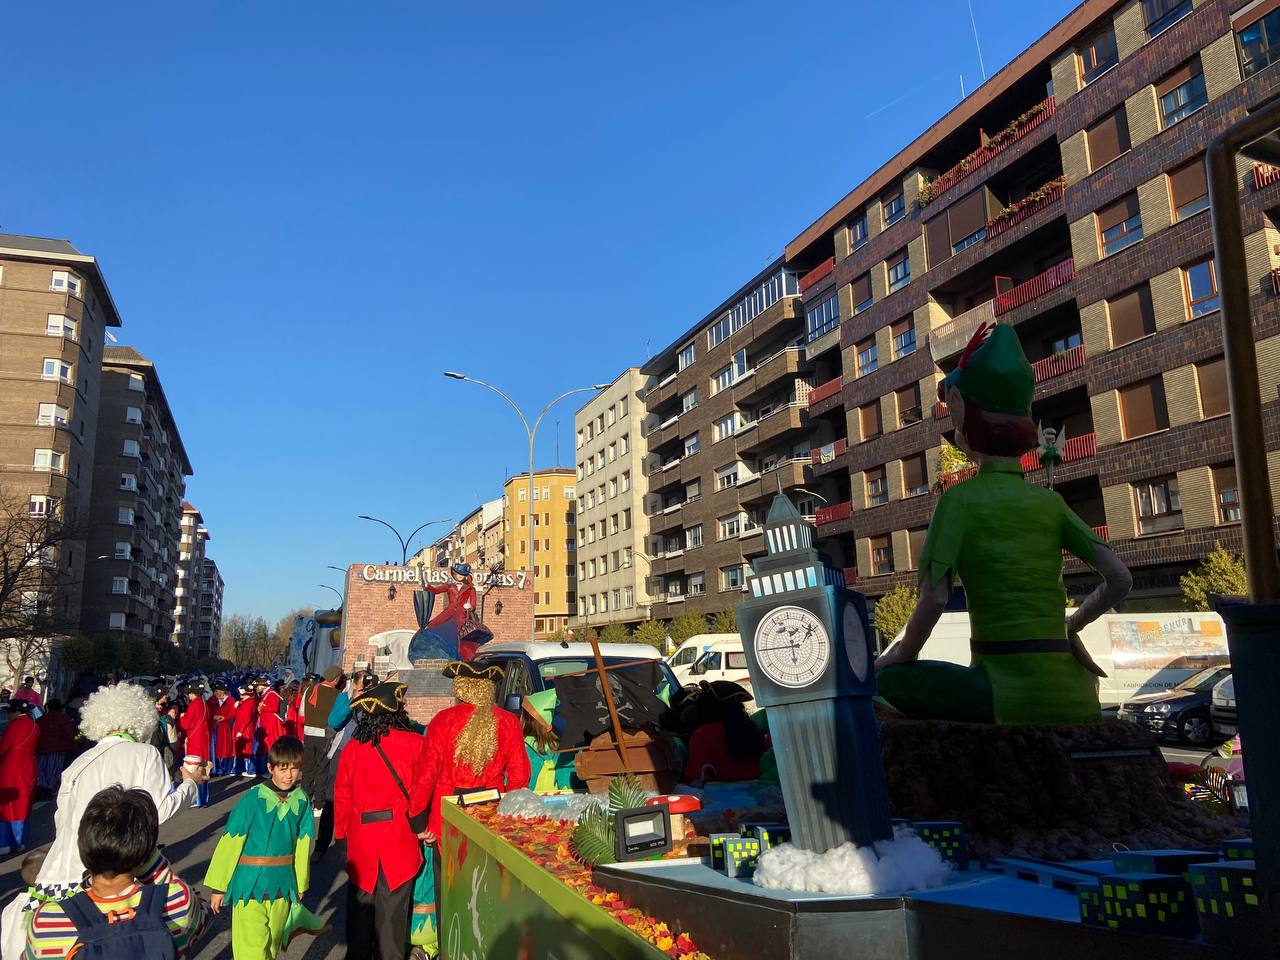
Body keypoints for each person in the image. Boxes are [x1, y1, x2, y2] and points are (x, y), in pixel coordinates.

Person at [876, 323, 1133, 725]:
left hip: (1002, 695)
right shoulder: (1050, 502)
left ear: (962, 409)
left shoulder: (959, 500)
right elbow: (1119, 579)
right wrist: (1071, 625)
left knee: (884, 684)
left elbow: (936, 599)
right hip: (1076, 696)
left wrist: (896, 656)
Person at [413, 662, 531, 957]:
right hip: (491, 818)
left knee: (449, 892)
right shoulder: (507, 721)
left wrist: (418, 821)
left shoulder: (443, 721)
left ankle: (451, 949)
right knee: (487, 893)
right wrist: (507, 812)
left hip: (446, 820)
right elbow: (519, 776)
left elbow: (426, 775)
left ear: (460, 687)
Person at [24, 787, 209, 960]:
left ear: (82, 845)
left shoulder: (47, 921)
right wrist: (149, 860)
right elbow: (204, 915)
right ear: (147, 852)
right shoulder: (177, 901)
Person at [334, 681, 433, 960]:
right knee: (392, 925)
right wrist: (425, 826)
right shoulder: (416, 743)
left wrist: (341, 836)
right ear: (396, 711)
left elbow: (342, 795)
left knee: (360, 922)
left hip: (362, 842)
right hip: (399, 841)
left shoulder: (353, 748)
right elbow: (423, 791)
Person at [203, 736, 326, 959]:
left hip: (282, 885)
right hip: (249, 887)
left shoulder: (301, 800)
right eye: (283, 768)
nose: (289, 775)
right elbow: (230, 842)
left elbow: (302, 844)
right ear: (270, 767)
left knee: (271, 947)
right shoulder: (252, 799)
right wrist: (218, 887)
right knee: (251, 951)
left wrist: (300, 883)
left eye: (295, 768)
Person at [679, 681, 765, 786]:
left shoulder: (703, 734)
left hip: (718, 797)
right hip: (757, 794)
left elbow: (694, 775)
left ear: (706, 707)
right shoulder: (752, 729)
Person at [407, 564, 493, 662]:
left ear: (465, 576)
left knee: (460, 634)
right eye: (458, 573)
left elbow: (473, 603)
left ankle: (462, 655)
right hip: (449, 612)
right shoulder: (449, 586)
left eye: (462, 574)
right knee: (431, 625)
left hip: (461, 614)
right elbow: (436, 590)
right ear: (454, 574)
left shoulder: (470, 589)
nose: (460, 575)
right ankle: (425, 646)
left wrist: (469, 607)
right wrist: (428, 586)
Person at [300, 666, 344, 852]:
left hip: (308, 732)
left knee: (308, 767)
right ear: (335, 679)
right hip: (326, 734)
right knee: (322, 768)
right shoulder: (337, 695)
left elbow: (302, 712)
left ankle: (304, 800)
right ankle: (318, 804)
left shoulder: (311, 689)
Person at [0, 699, 39, 854]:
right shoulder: (34, 725)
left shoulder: (15, 726)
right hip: (28, 768)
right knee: (24, 804)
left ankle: (5, 842)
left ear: (15, 712)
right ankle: (20, 841)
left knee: (7, 805)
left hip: (11, 769)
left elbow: (3, 748)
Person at [178, 684, 212, 807]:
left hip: (195, 739)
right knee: (202, 766)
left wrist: (182, 717)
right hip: (203, 737)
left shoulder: (194, 705)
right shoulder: (203, 703)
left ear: (192, 693)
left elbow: (187, 724)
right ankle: (203, 797)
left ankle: (196, 799)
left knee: (193, 767)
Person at [36, 699, 77, 795]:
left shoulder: (41, 720)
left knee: (42, 770)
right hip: (58, 750)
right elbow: (70, 733)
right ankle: (49, 790)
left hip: (42, 749)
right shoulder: (63, 719)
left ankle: (42, 789)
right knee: (53, 771)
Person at [256, 680, 287, 775]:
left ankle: (269, 770)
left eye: (258, 685)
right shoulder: (267, 693)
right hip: (266, 722)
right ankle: (264, 768)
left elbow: (274, 708)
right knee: (265, 745)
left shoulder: (271, 693)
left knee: (270, 745)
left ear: (263, 685)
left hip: (271, 723)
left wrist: (262, 708)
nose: (257, 687)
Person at [210, 682, 238, 776]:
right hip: (214, 726)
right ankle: (216, 768)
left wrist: (224, 718)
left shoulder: (230, 700)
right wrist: (213, 717)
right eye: (215, 691)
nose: (216, 693)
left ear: (223, 691)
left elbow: (233, 712)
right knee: (216, 747)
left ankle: (225, 768)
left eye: (218, 691)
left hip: (225, 727)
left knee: (225, 747)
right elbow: (207, 710)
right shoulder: (212, 700)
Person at [233, 682, 260, 777]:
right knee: (242, 748)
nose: (240, 694)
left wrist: (241, 730)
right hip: (243, 728)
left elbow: (246, 718)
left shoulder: (249, 703)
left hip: (245, 730)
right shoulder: (245, 702)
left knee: (246, 749)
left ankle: (249, 769)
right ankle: (242, 769)